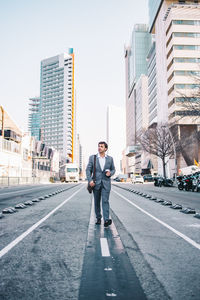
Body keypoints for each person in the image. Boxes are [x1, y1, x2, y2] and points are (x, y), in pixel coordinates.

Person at [86, 141, 115, 227]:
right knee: (97, 202)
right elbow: (88, 170)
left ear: (105, 149)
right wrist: (90, 180)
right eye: (99, 146)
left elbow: (113, 169)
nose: (99, 148)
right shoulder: (93, 158)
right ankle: (98, 217)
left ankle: (106, 220)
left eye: (101, 146)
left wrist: (110, 173)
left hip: (106, 183)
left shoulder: (110, 159)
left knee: (105, 201)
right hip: (96, 183)